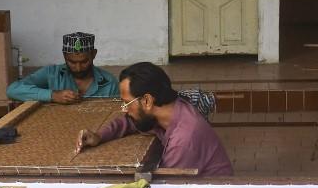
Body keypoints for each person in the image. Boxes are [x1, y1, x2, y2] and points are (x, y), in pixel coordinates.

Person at [75, 62, 234, 176]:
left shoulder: (184, 139)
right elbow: (128, 121)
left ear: (147, 101)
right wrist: (100, 136)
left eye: (127, 103)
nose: (123, 109)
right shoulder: (167, 110)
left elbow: (167, 187)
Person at [6, 31, 119, 103]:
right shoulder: (51, 74)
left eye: (84, 62)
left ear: (94, 54)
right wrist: (53, 95)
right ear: (64, 56)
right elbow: (12, 90)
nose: (78, 68)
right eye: (72, 62)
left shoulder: (109, 82)